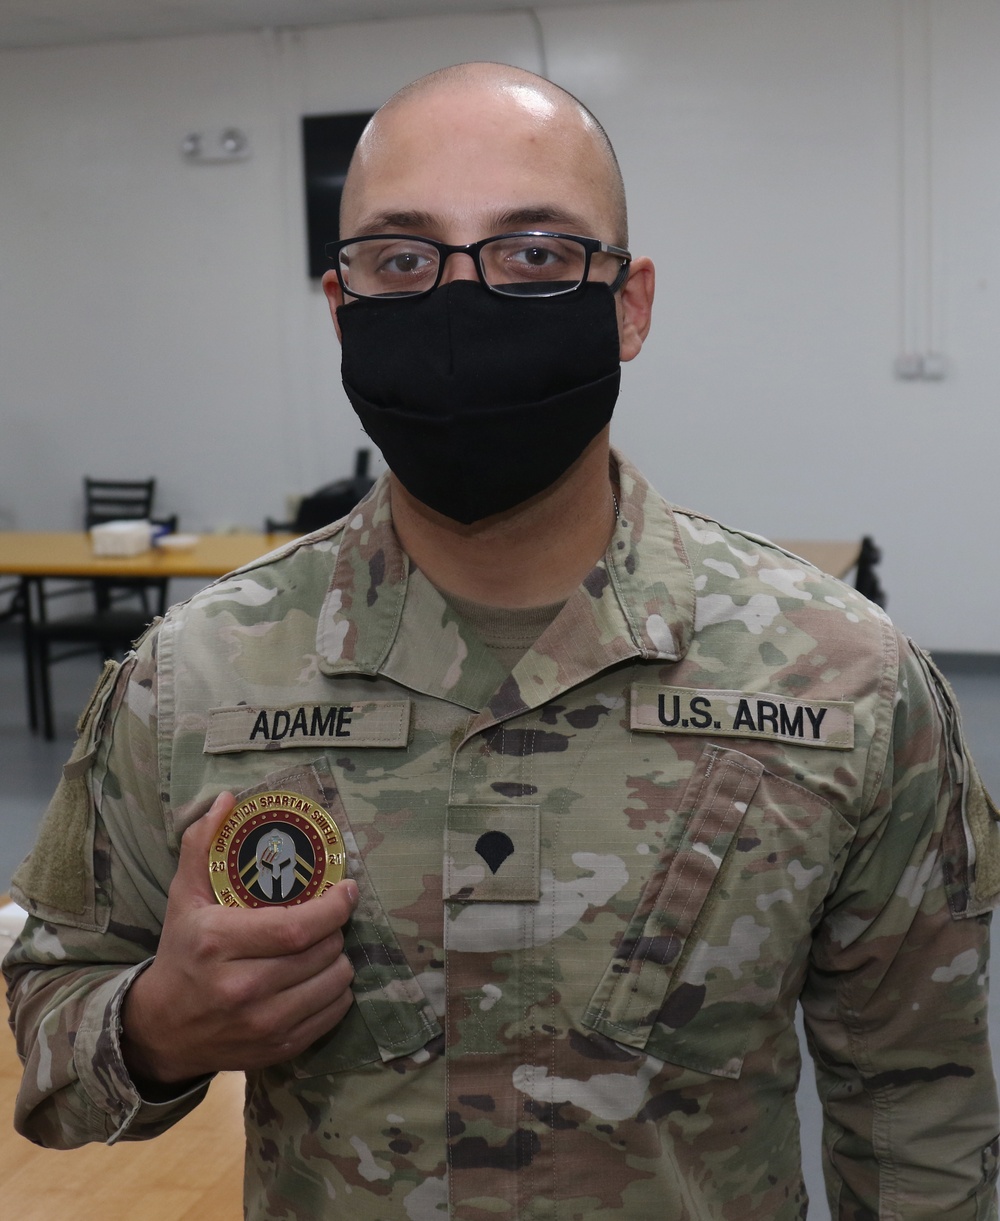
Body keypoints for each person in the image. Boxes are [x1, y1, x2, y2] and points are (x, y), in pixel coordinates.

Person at [5, 61, 1000, 1221]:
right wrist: (157, 1027)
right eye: (403, 257)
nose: (460, 303)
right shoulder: (193, 677)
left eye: (533, 254)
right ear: (342, 307)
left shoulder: (851, 682)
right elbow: (53, 1057)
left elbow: (918, 1113)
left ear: (628, 304)